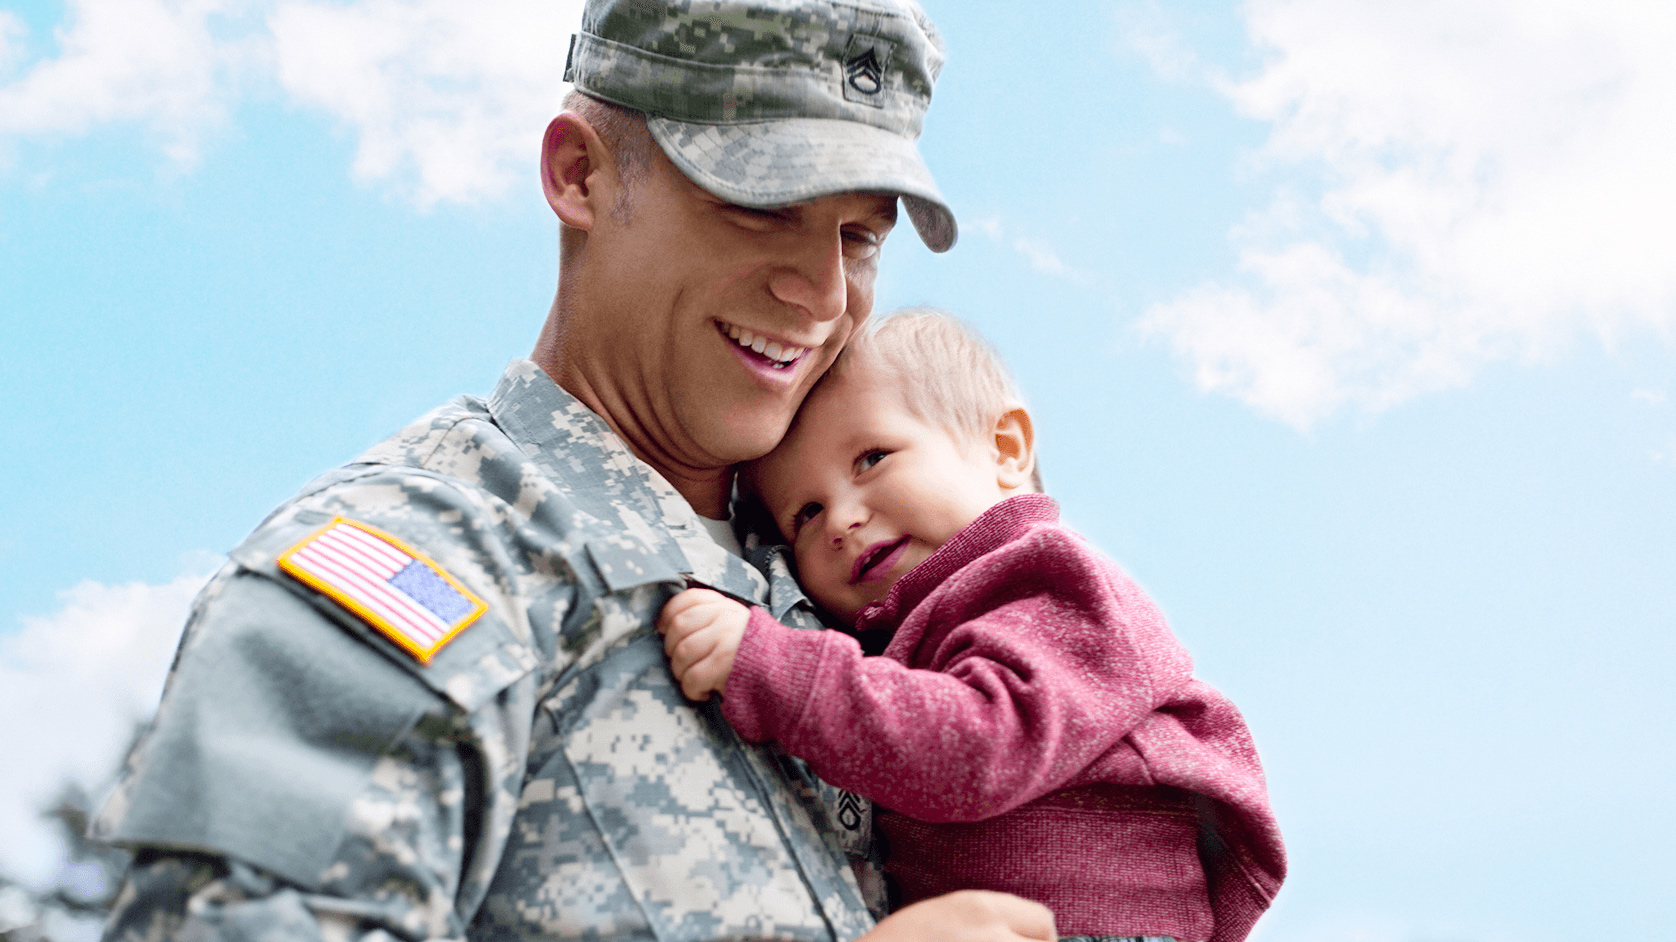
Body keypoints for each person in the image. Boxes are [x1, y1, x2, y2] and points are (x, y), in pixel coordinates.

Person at [89, 2, 1057, 940]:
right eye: (763, 204)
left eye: (859, 237)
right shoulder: (421, 552)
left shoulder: (852, 573)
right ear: (579, 175)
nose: (822, 293)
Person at [658, 312, 1287, 942]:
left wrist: (772, 667)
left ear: (1005, 449)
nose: (842, 519)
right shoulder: (898, 633)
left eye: (872, 459)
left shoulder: (1049, 580)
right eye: (806, 514)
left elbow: (979, 746)